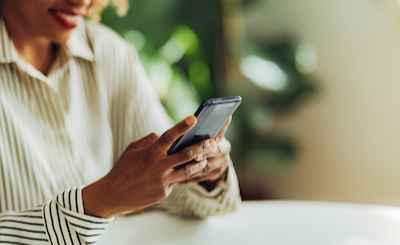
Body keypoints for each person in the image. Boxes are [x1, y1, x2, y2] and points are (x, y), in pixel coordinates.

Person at [0, 0, 241, 244]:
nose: (82, 1)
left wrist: (203, 171)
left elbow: (175, 194)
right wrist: (101, 201)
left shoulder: (108, 52)